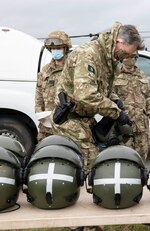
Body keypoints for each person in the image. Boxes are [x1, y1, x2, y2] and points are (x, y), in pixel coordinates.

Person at [52, 22, 144, 169]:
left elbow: (102, 89)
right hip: (69, 118)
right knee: (94, 162)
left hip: (85, 119)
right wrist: (116, 112)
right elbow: (85, 94)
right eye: (125, 53)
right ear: (118, 42)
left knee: (98, 157)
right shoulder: (88, 54)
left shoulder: (108, 59)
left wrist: (115, 99)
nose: (125, 57)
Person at [111, 53, 150, 160]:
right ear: (122, 59)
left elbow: (148, 97)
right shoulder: (115, 76)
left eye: (132, 57)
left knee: (142, 153)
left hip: (141, 123)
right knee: (125, 154)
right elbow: (111, 97)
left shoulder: (142, 75)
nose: (130, 59)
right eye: (127, 57)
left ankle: (141, 175)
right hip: (124, 123)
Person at [35, 31, 71, 141]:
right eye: (53, 48)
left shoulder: (72, 68)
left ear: (65, 49)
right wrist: (39, 113)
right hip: (47, 126)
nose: (55, 50)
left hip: (67, 125)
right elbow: (39, 94)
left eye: (58, 48)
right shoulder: (45, 70)